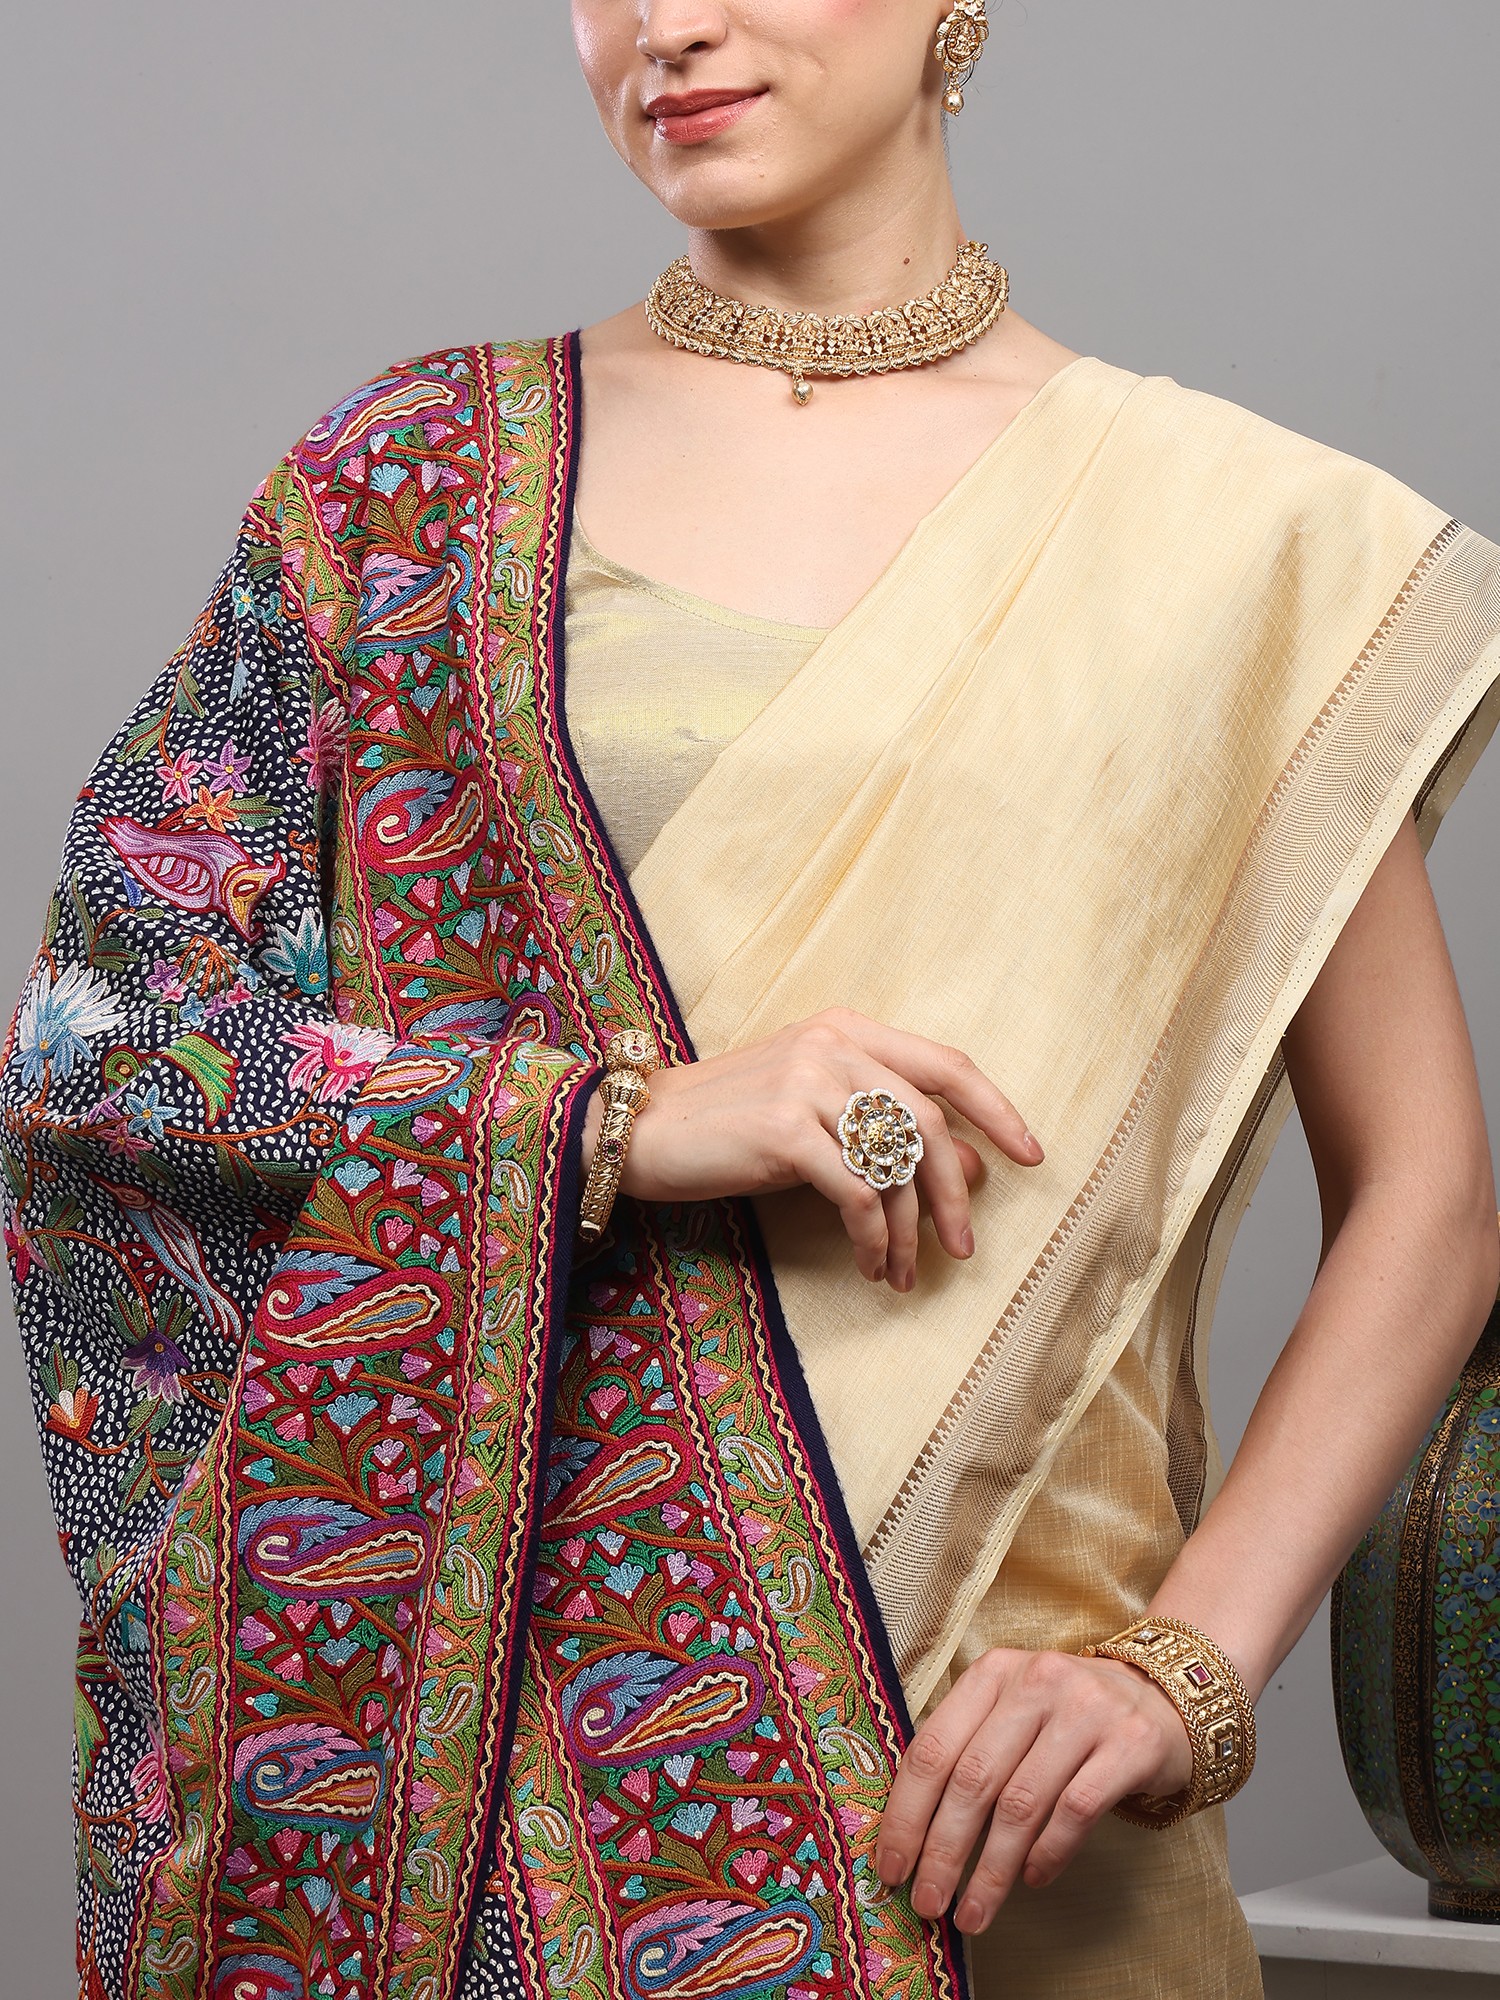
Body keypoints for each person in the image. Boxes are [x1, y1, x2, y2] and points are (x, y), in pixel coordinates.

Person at [5, 4, 1499, 1997]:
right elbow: (100, 1051)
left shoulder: (1245, 542)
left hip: (996, 1769)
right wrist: (613, 1119)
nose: (669, 24)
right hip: (478, 1790)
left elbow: (1427, 1194)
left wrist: (1187, 1665)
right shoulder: (405, 489)